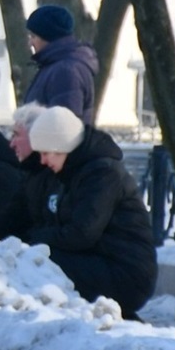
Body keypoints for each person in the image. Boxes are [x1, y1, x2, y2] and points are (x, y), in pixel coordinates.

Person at [20, 106, 156, 318]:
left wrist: (36, 240)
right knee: (39, 259)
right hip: (103, 263)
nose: (43, 161)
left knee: (41, 262)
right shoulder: (74, 173)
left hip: (126, 274)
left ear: (61, 146)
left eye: (45, 153)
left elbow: (82, 233)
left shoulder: (102, 174)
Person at [22, 4, 99, 122]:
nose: (30, 43)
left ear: (48, 36)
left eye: (33, 36)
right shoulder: (55, 66)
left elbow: (62, 129)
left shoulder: (65, 71)